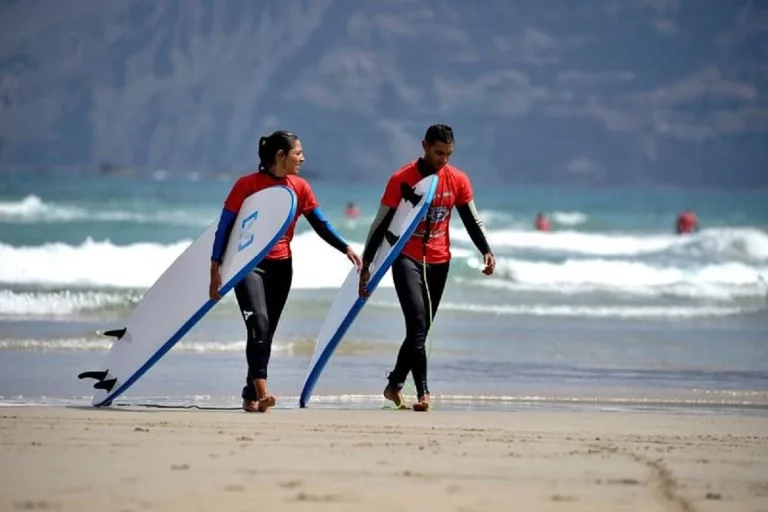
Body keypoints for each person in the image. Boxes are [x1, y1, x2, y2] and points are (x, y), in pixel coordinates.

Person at [209, 130, 362, 413]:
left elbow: (320, 223)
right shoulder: (247, 185)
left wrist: (345, 248)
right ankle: (263, 392)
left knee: (266, 333)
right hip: (249, 265)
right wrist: (215, 267)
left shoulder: (300, 187)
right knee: (258, 325)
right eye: (298, 153)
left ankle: (250, 393)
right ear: (281, 156)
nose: (303, 158)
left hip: (281, 267)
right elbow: (225, 226)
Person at [358, 124, 495, 412]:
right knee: (418, 326)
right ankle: (423, 393)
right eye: (438, 153)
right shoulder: (402, 178)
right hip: (405, 257)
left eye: (448, 154)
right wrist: (367, 263)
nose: (443, 160)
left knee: (419, 331)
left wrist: (486, 250)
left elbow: (471, 219)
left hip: (439, 261)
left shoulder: (457, 180)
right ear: (424, 146)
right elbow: (381, 223)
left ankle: (394, 384)